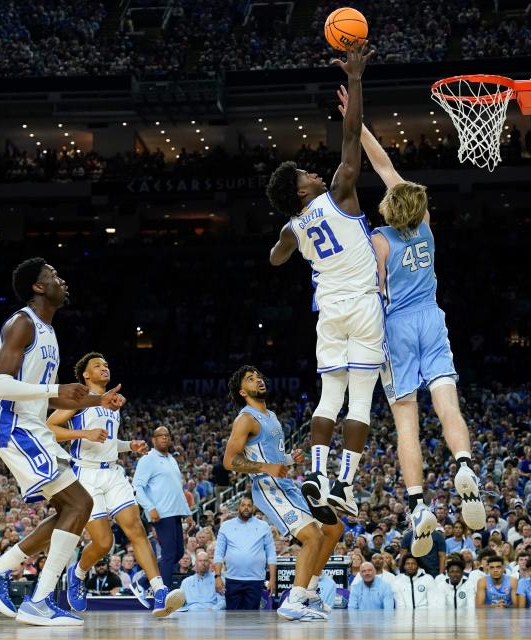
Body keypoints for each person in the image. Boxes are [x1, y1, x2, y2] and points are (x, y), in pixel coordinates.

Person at [332, 88, 485, 550]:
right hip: (431, 319)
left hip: (396, 325)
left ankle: (418, 503)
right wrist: (361, 126)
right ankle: (463, 464)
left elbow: (374, 290)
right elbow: (384, 165)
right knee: (449, 405)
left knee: (406, 422)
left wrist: (348, 124)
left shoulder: (378, 241)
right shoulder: (425, 225)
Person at [0, 258, 124, 627]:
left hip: (31, 425)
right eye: (54, 276)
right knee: (81, 502)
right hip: (14, 426)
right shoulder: (22, 323)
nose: (62, 280)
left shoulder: (48, 332)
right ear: (38, 287)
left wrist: (94, 400)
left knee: (69, 509)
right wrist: (56, 389)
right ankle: (38, 599)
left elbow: (46, 397)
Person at [266, 42, 380, 521]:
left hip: (328, 311)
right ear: (301, 191)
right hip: (363, 305)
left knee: (329, 397)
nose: (313, 172)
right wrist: (355, 80)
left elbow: (275, 259)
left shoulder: (293, 227)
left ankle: (316, 472)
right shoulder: (338, 192)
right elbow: (352, 137)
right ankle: (346, 483)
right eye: (305, 174)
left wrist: (288, 231)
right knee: (361, 400)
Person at [47, 352, 183, 617]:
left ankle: (158, 591)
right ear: (86, 375)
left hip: (112, 473)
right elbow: (49, 427)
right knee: (104, 543)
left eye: (106, 364)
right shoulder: (78, 399)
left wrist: (128, 446)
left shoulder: (112, 404)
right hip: (85, 475)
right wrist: (82, 433)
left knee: (136, 530)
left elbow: (107, 443)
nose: (104, 368)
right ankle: (78, 573)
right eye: (97, 365)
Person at [223, 366, 344, 621]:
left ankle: (310, 590)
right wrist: (265, 467)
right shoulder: (246, 419)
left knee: (334, 528)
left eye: (258, 376)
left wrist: (289, 459)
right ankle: (294, 601)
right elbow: (229, 460)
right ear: (243, 391)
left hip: (286, 485)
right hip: (267, 489)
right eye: (250, 379)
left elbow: (272, 456)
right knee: (312, 536)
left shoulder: (272, 416)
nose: (258, 380)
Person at [132, 425, 191, 588]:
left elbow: (178, 489)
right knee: (169, 553)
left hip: (176, 512)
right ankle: (164, 593)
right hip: (161, 512)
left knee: (178, 552)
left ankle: (143, 582)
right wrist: (149, 507)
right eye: (160, 435)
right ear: (153, 439)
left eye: (167, 435)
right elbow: (137, 487)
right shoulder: (147, 459)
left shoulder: (172, 459)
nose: (164, 438)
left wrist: (188, 512)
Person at [213, 497, 277, 611]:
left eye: (249, 505)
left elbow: (271, 555)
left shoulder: (264, 526)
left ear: (253, 508)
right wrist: (217, 577)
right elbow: (219, 554)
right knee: (232, 618)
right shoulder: (226, 526)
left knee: (252, 618)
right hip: (232, 579)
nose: (246, 508)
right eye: (243, 505)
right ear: (238, 507)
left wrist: (272, 579)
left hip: (256, 579)